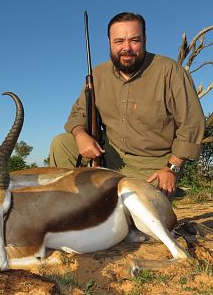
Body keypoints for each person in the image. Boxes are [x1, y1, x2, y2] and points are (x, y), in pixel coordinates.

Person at [49, 12, 205, 198]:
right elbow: (78, 113)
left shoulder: (170, 71)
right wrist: (80, 134)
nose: (127, 48)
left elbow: (192, 124)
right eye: (119, 41)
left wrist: (171, 169)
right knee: (62, 143)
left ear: (145, 39)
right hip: (109, 156)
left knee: (137, 217)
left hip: (152, 167)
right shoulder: (97, 74)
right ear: (109, 42)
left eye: (134, 40)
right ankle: (68, 206)